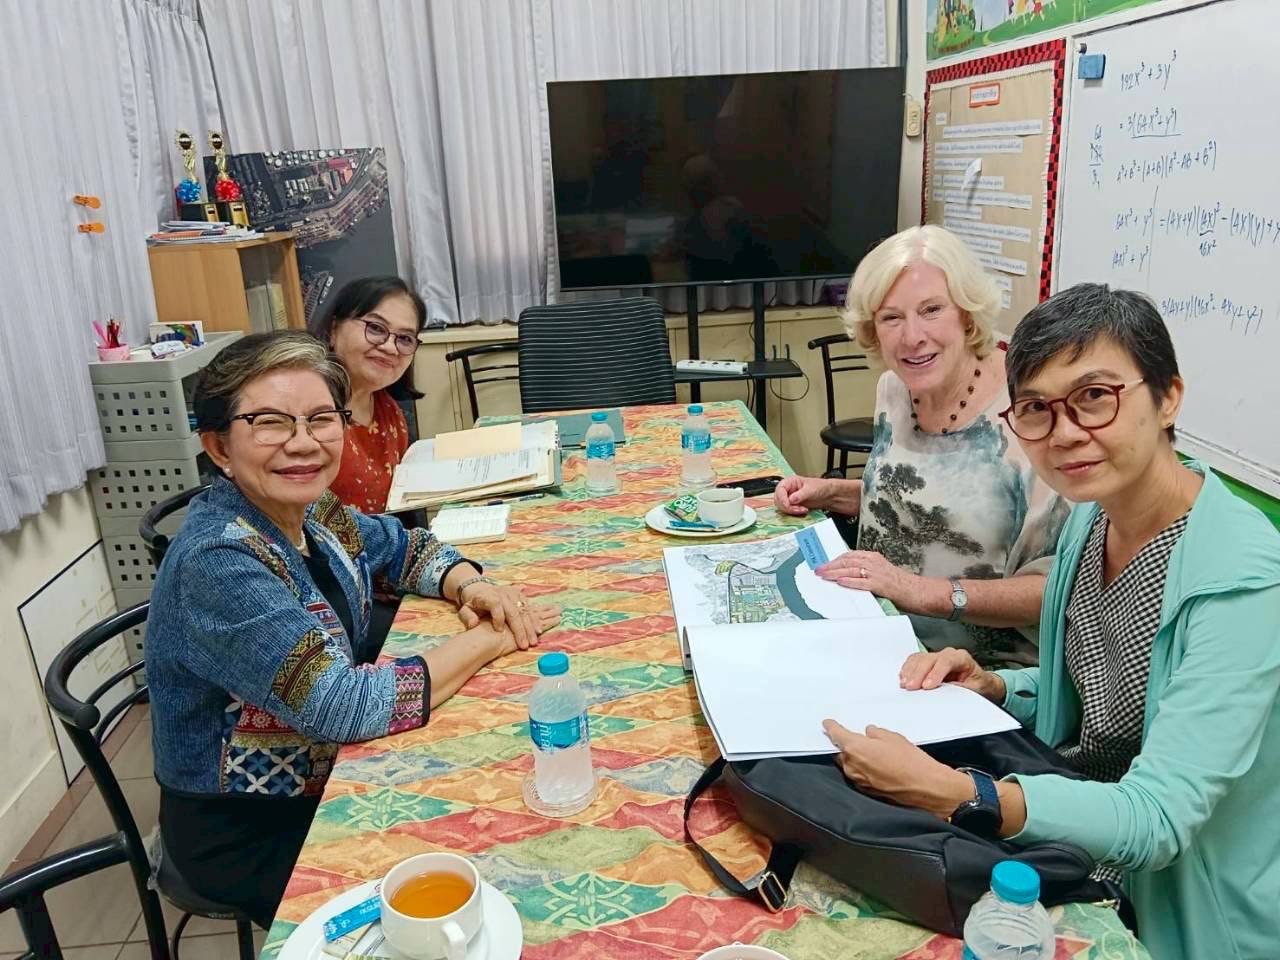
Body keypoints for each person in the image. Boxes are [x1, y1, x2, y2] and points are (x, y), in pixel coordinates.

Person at [823, 284, 1280, 960]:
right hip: (1070, 823)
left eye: (1094, 397)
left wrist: (956, 793)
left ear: (1168, 398)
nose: (1065, 433)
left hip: (1171, 904)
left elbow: (1159, 817)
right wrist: (1001, 687)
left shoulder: (1242, 580)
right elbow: (1109, 688)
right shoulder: (1092, 517)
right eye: (1037, 408)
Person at [146, 332, 559, 927]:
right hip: (251, 825)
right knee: (478, 863)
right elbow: (343, 707)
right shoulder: (219, 560)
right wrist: (487, 639)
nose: (303, 443)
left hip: (330, 771)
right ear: (218, 447)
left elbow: (401, 546)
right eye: (270, 422)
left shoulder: (308, 509)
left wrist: (472, 586)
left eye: (321, 419)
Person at [775, 225, 1068, 666]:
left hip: (979, 671)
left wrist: (915, 591)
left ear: (967, 313)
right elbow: (926, 501)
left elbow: (1058, 590)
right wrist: (835, 493)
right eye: (891, 317)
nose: (912, 337)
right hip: (879, 633)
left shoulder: (1033, 411)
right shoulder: (894, 388)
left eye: (931, 310)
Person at [307, 276, 424, 516]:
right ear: (333, 329)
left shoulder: (388, 410)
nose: (390, 347)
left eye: (404, 339)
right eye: (376, 328)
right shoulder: (308, 414)